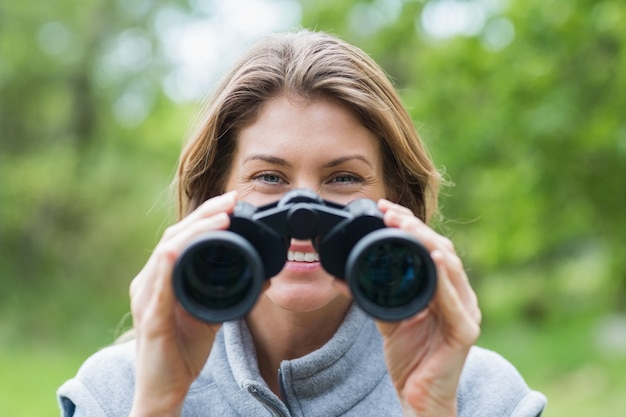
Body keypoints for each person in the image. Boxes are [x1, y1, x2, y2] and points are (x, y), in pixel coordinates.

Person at [57, 29, 547, 417]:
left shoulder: (483, 396)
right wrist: (160, 404)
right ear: (213, 196)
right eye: (269, 177)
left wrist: (434, 408)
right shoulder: (118, 392)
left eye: (344, 178)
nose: (303, 216)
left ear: (394, 202)